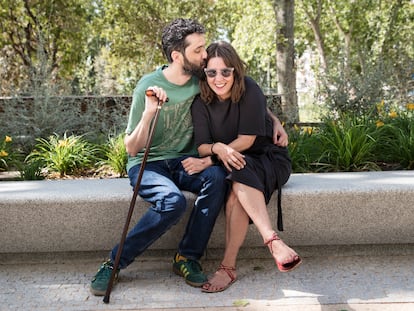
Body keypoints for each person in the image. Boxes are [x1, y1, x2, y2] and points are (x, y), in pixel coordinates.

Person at [90, 18, 229, 296]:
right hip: (148, 163)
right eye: (198, 50)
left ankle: (186, 258)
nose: (205, 55)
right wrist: (150, 112)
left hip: (183, 161)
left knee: (216, 177)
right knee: (172, 202)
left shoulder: (203, 79)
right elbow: (131, 148)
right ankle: (114, 262)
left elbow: (242, 89)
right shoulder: (148, 86)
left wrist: (272, 121)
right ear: (177, 56)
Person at [191, 41, 302, 293]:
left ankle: (243, 257)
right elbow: (202, 146)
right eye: (211, 72)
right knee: (234, 189)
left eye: (225, 72)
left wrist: (213, 158)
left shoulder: (249, 88)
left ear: (235, 71)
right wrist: (217, 149)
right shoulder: (200, 104)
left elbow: (248, 141)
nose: (218, 78)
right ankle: (269, 245)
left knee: (237, 167)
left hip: (269, 158)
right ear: (204, 73)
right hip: (239, 164)